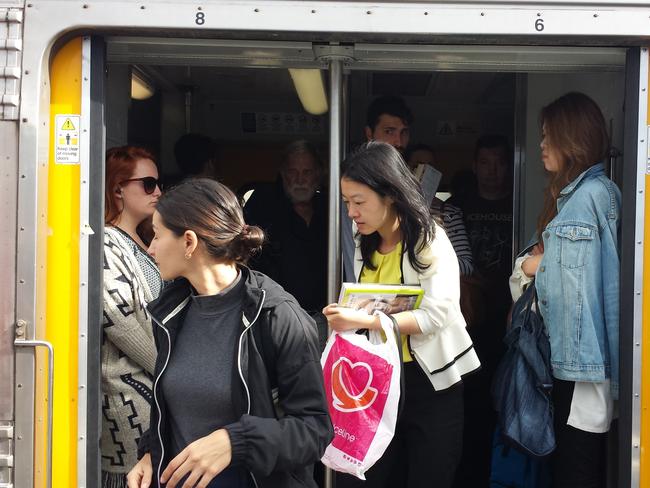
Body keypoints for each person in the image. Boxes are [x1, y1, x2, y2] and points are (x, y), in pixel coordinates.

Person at [127, 178, 332, 488]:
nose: (151, 248)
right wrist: (152, 452)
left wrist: (236, 442)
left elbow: (314, 430)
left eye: (156, 235)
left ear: (189, 242)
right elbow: (179, 410)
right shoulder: (170, 312)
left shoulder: (277, 315)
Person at [325, 142, 480, 488]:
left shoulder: (429, 238)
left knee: (431, 474)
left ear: (390, 194)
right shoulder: (362, 237)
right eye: (347, 202)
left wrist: (368, 320)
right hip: (378, 377)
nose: (351, 212)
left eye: (359, 202)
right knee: (364, 473)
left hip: (431, 382)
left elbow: (438, 313)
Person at [511, 92, 620, 488]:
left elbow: (563, 287)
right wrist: (533, 265)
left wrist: (531, 265)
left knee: (576, 471)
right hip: (575, 363)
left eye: (547, 136)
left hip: (580, 366)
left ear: (570, 138)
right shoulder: (576, 197)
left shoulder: (590, 197)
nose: (540, 144)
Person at [102, 146, 163, 488]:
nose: (158, 191)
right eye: (148, 183)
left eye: (158, 183)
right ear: (117, 189)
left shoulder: (140, 241)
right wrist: (170, 365)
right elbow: (119, 319)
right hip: (127, 400)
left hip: (148, 393)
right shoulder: (107, 243)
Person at [244, 140, 327, 311]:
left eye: (307, 172)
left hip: (325, 312)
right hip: (274, 312)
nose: (300, 179)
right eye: (292, 172)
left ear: (318, 174)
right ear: (282, 173)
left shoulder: (330, 207)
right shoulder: (262, 203)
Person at [342, 96, 414, 282]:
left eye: (403, 132)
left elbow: (435, 309)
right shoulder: (359, 232)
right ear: (369, 133)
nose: (398, 141)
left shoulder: (427, 241)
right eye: (389, 131)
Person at [406, 144, 474, 276]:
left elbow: (467, 265)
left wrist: (427, 263)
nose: (424, 172)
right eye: (418, 166)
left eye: (430, 167)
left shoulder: (449, 213)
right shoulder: (392, 211)